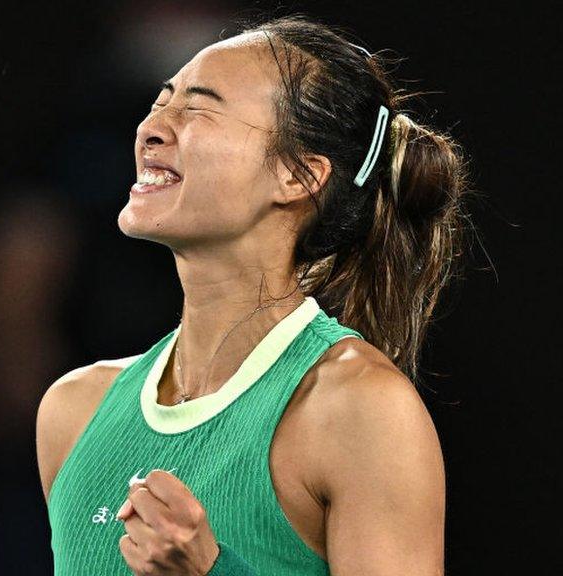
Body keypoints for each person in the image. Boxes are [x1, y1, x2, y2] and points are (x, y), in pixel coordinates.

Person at [36, 13, 474, 575]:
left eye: (197, 107)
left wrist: (210, 570)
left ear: (297, 175)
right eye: (160, 102)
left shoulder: (359, 410)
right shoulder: (74, 410)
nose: (150, 128)